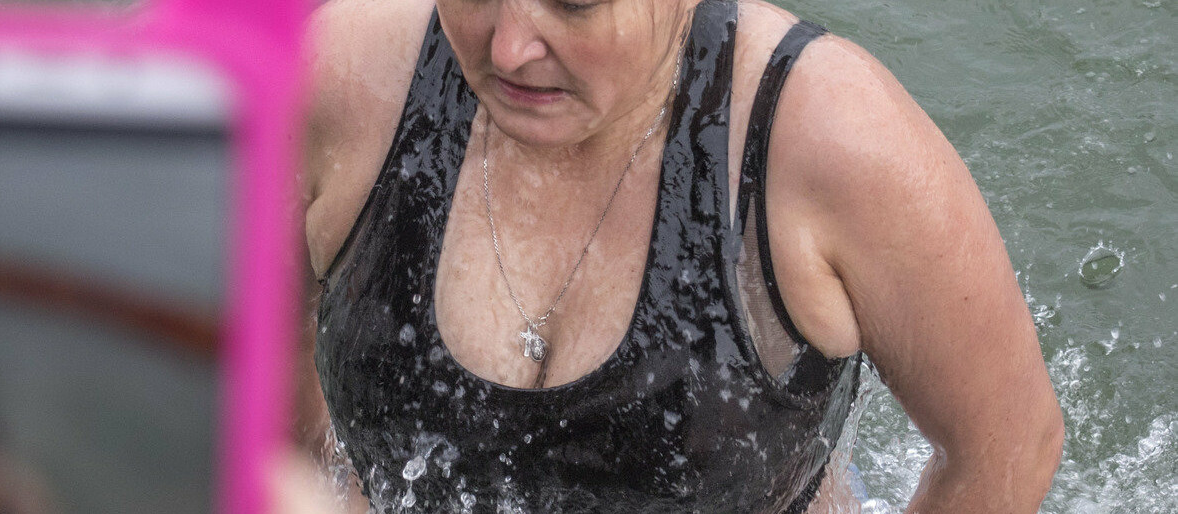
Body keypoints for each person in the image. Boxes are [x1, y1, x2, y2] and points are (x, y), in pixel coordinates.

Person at [297, 0, 1063, 511]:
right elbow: (254, 356)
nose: (508, 47)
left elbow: (1008, 448)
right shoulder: (341, 80)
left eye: (575, 1)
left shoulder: (829, 141)